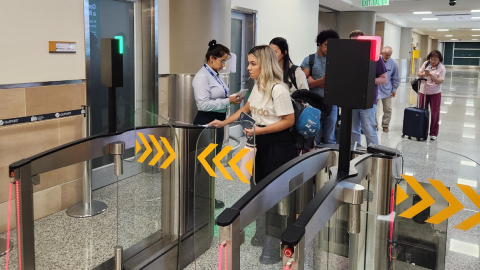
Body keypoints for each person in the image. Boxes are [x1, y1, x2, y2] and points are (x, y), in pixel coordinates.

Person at [209, 45, 297, 264]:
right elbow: (244, 110)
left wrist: (261, 130)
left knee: (272, 194)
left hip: (278, 145)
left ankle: (271, 243)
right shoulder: (257, 86)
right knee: (257, 189)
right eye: (249, 63)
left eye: (253, 63)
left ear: (265, 64)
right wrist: (224, 122)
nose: (248, 67)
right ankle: (261, 233)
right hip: (259, 141)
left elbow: (288, 120)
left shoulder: (279, 89)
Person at [192, 40, 242, 208]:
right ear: (211, 58)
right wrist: (227, 100)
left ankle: (208, 196)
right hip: (206, 123)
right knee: (204, 164)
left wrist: (231, 101)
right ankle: (200, 198)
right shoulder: (201, 77)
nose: (223, 65)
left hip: (218, 122)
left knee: (212, 162)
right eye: (222, 61)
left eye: (225, 61)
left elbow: (219, 98)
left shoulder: (215, 75)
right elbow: (203, 105)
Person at [300, 29, 340, 145]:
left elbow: (338, 82)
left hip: (332, 102)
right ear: (319, 43)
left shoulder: (336, 60)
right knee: (314, 135)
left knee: (330, 136)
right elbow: (304, 83)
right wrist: (321, 81)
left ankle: (331, 160)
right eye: (326, 45)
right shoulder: (310, 60)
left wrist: (315, 81)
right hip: (314, 103)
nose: (329, 49)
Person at [349, 30, 387, 147]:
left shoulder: (374, 56)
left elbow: (384, 79)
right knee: (353, 130)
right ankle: (354, 152)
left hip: (368, 99)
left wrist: (367, 81)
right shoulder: (348, 56)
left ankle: (374, 154)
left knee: (369, 129)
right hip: (351, 99)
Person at [417, 50, 445, 140]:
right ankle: (421, 131)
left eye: (435, 60)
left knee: (434, 114)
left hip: (435, 93)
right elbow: (418, 73)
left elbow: (440, 81)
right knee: (422, 112)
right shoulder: (426, 63)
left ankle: (433, 133)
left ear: (439, 59)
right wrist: (425, 74)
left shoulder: (442, 68)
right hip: (423, 91)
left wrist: (432, 76)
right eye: (431, 59)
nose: (433, 61)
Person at [376, 46, 399, 133]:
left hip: (387, 89)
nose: (388, 57)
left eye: (389, 55)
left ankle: (385, 125)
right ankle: (374, 125)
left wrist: (394, 89)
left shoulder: (393, 63)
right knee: (373, 108)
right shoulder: (376, 60)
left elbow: (395, 77)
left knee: (388, 108)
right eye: (386, 55)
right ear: (382, 54)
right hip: (376, 88)